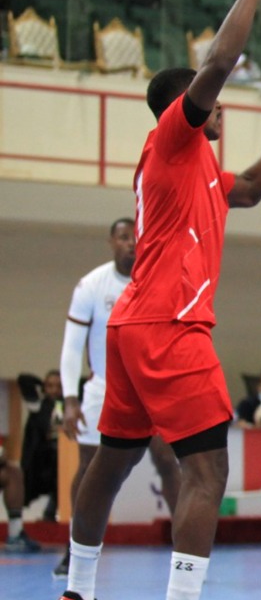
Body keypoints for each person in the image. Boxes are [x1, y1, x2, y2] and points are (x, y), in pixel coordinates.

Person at [47, 0, 261, 600]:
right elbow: (222, 60)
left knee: (113, 461)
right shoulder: (173, 139)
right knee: (208, 471)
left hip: (135, 327)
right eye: (210, 100)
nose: (222, 107)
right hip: (169, 324)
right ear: (182, 106)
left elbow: (252, 190)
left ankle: (78, 594)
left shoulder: (200, 174)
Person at [56, 218, 182, 577]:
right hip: (103, 388)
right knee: (92, 469)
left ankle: (183, 548)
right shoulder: (91, 285)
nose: (131, 243)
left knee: (167, 461)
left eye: (135, 238)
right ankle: (76, 549)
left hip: (151, 389)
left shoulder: (157, 281)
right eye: (123, 238)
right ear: (112, 242)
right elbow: (71, 347)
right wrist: (69, 399)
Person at [20, 369, 62, 523]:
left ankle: (50, 513)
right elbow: (23, 378)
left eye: (59, 386)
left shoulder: (69, 406)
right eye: (50, 386)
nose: (54, 390)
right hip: (40, 457)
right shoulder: (38, 404)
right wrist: (42, 385)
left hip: (61, 456)